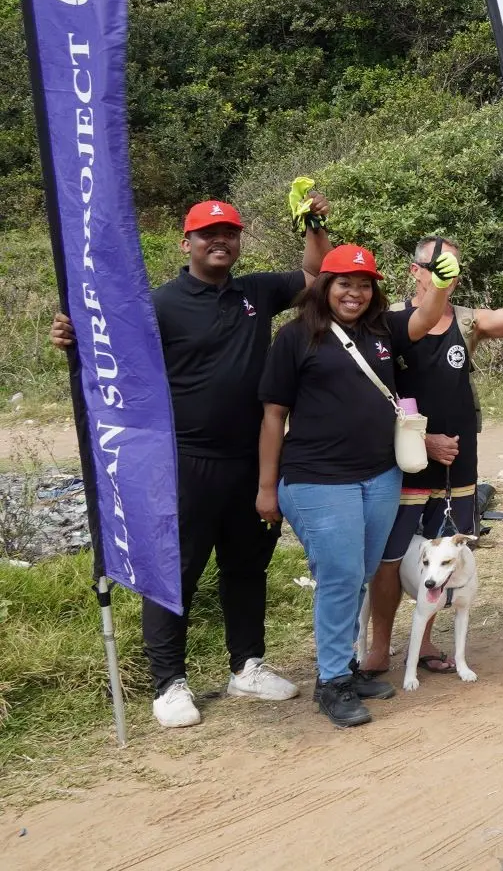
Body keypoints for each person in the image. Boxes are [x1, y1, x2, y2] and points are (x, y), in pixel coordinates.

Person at [50, 190, 330, 729]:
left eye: (229, 232)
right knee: (175, 573)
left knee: (247, 567)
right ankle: (169, 683)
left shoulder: (258, 291)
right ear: (188, 243)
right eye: (208, 234)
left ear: (239, 241)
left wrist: (314, 223)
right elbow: (107, 347)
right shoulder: (158, 304)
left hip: (251, 460)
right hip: (184, 461)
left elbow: (317, 277)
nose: (220, 240)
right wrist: (71, 337)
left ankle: (246, 666)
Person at [257, 243, 445, 728]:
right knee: (341, 575)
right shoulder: (295, 337)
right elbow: (274, 415)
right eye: (344, 282)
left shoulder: (382, 331)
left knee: (358, 571)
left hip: (380, 474)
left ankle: (343, 667)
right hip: (317, 479)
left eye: (364, 285)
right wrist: (266, 486)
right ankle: (332, 682)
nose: (355, 293)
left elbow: (424, 319)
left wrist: (442, 283)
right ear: (324, 285)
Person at [361, 224, 503, 678]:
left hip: (459, 463)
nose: (447, 277)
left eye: (454, 270)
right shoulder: (388, 321)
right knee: (390, 557)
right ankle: (380, 648)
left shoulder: (467, 319)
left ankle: (424, 643)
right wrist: (422, 441)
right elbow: (368, 396)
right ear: (415, 272)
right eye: (437, 268)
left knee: (445, 553)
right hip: (405, 459)